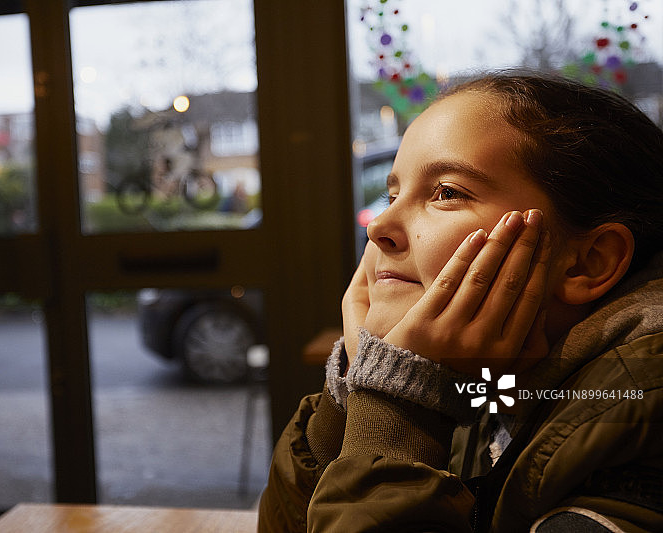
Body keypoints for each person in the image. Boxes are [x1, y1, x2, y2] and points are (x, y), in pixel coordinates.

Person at [258, 72, 663, 532]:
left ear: (587, 262)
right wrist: (355, 391)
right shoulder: (481, 376)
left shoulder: (641, 425)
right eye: (392, 194)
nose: (379, 225)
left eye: (446, 193)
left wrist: (400, 404)